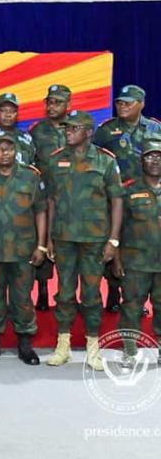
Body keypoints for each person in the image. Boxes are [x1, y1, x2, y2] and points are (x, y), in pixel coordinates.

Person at [45, 111, 123, 371]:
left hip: (94, 240)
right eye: (67, 127)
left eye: (75, 128)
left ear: (89, 132)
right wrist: (48, 239)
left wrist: (113, 240)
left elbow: (117, 202)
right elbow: (52, 202)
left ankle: (93, 347)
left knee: (91, 295)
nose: (68, 131)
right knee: (65, 293)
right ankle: (63, 345)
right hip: (64, 238)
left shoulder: (105, 162)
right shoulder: (56, 161)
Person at [0, 131, 47, 365]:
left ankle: (25, 344)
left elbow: (41, 211)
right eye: (0, 149)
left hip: (23, 249)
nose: (5, 153)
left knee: (22, 298)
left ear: (16, 151)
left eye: (9, 149)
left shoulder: (31, 177)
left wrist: (42, 245)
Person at [94, 84, 161, 312]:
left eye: (128, 103)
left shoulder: (155, 129)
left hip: (145, 198)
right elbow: (95, 160)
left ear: (141, 104)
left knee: (137, 245)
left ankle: (137, 297)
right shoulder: (106, 130)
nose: (122, 106)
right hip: (114, 198)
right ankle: (113, 291)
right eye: (119, 103)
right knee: (112, 242)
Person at [113, 136, 161, 366]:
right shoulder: (128, 190)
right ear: (142, 160)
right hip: (135, 261)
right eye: (149, 156)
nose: (154, 160)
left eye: (159, 156)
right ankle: (130, 350)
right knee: (131, 306)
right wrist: (117, 258)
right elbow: (119, 227)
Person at [29, 85, 71, 311]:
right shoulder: (37, 130)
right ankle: (43, 289)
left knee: (67, 245)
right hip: (45, 195)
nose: (52, 106)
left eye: (57, 102)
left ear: (68, 105)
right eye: (50, 102)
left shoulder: (75, 128)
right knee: (42, 240)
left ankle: (67, 293)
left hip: (71, 198)